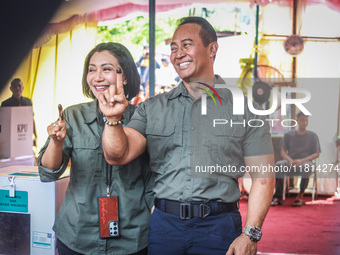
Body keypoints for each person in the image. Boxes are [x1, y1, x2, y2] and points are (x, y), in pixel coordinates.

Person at [98, 17, 275, 255]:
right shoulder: (152, 108)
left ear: (212, 49)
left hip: (219, 227)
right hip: (165, 226)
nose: (178, 54)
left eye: (186, 45)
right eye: (173, 48)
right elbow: (118, 154)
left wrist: (251, 234)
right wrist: (112, 119)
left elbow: (264, 177)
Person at [38, 42, 153, 255]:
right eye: (92, 70)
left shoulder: (143, 117)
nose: (97, 77)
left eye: (106, 69)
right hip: (77, 234)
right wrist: (56, 141)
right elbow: (48, 172)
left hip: (131, 237)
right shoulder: (73, 116)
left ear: (124, 76)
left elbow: (154, 177)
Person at [271, 111, 320, 207]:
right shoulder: (289, 135)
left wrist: (301, 161)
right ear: (297, 120)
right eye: (302, 120)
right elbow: (283, 152)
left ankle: (300, 196)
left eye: (306, 120)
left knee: (307, 166)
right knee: (279, 165)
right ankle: (278, 197)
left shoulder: (313, 136)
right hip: (291, 161)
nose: (305, 123)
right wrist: (290, 160)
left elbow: (316, 154)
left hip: (305, 162)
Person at [1, 78, 38, 146]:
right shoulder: (5, 104)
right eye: (14, 86)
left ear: (22, 88)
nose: (17, 88)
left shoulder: (28, 102)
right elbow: (2, 124)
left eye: (19, 86)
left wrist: (35, 135)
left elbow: (31, 119)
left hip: (25, 136)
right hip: (11, 138)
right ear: (11, 89)